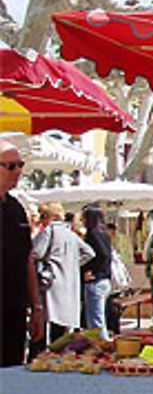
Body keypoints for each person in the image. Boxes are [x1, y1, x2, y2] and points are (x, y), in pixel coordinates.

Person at [30, 201, 94, 356]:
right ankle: (58, 354)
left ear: (48, 216)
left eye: (43, 216)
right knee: (62, 325)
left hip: (51, 282)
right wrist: (72, 264)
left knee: (47, 320)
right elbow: (90, 253)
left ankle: (42, 356)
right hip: (69, 282)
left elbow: (35, 253)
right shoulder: (71, 233)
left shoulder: (48, 232)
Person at [0, 139, 43, 367]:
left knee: (12, 368)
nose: (18, 171)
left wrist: (36, 307)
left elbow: (26, 259)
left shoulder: (16, 208)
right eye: (10, 166)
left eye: (20, 165)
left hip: (14, 309)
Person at [80, 206, 113, 340]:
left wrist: (92, 271)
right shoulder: (104, 233)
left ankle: (102, 346)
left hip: (97, 280)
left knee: (96, 321)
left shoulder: (93, 234)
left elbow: (103, 255)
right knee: (98, 318)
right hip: (104, 280)